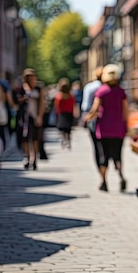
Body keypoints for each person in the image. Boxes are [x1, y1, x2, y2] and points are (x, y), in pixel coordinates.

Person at [83, 64, 128, 192]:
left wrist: (87, 117)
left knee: (103, 156)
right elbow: (126, 111)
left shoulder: (101, 91)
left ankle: (104, 181)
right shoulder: (121, 92)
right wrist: (126, 125)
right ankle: (121, 176)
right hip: (118, 128)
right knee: (118, 155)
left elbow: (95, 109)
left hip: (103, 129)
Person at [17, 68, 45, 170]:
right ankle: (26, 157)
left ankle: (34, 158)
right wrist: (25, 97)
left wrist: (40, 116)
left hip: (35, 116)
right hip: (24, 117)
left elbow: (42, 103)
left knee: (35, 138)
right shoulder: (22, 89)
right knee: (25, 138)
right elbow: (17, 101)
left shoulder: (38, 88)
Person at [81, 66, 103, 169]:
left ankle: (100, 168)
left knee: (96, 146)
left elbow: (85, 106)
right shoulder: (106, 88)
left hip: (92, 118)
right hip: (105, 119)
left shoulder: (89, 87)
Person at [54, 77, 75, 149]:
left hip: (61, 114)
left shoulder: (59, 96)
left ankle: (63, 140)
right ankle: (68, 140)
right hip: (69, 113)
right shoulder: (71, 96)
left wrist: (56, 113)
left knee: (62, 129)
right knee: (68, 129)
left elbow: (56, 106)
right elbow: (72, 105)